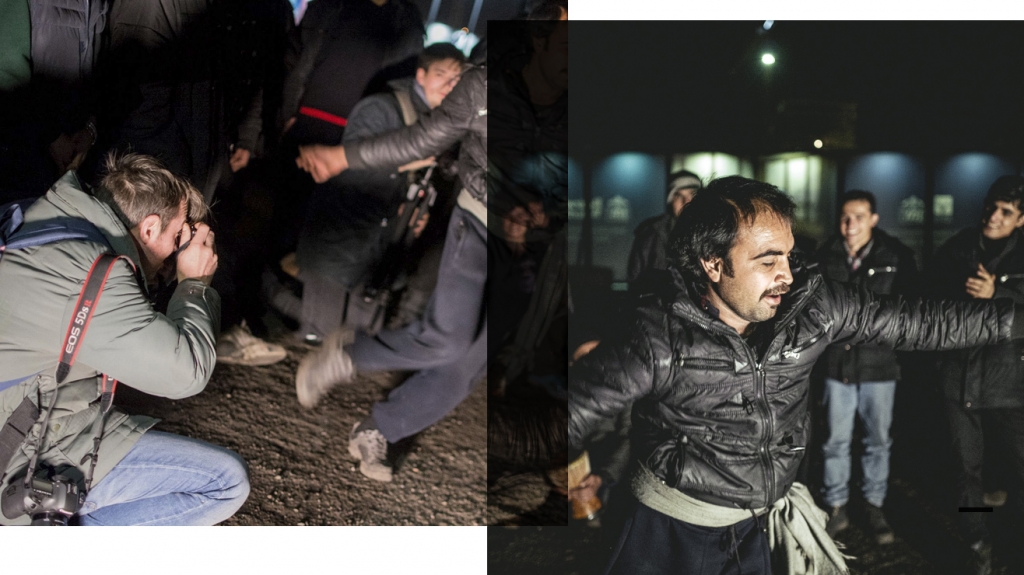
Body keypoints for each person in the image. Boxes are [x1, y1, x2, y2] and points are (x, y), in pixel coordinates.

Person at [569, 176, 1023, 575]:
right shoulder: (659, 337)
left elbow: (921, 322)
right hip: (670, 534)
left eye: (787, 254)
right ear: (713, 262)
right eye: (767, 261)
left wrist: (1014, 321)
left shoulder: (813, 306)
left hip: (758, 528)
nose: (786, 273)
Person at [293, 17, 568, 483]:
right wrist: (343, 156)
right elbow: (422, 138)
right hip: (478, 223)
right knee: (447, 338)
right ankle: (349, 353)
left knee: (468, 364)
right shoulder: (484, 87)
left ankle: (380, 428)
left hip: (530, 247)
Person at [0, 153, 249, 525]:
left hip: (25, 414)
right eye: (179, 235)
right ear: (148, 228)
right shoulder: (93, 272)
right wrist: (194, 283)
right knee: (225, 481)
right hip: (20, 452)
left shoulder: (45, 219)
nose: (179, 251)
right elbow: (186, 373)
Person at [293, 42, 465, 342]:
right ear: (421, 75)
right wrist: (412, 161)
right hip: (343, 236)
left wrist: (417, 211)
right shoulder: (382, 107)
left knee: (359, 341)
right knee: (320, 335)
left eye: (457, 80)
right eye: (442, 75)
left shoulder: (441, 124)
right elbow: (351, 168)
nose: (450, 86)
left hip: (382, 247)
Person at [927, 175, 1024, 574]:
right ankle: (977, 543)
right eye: (991, 207)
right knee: (965, 471)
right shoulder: (956, 250)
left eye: (1006, 212)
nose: (994, 217)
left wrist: (997, 295)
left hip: (1010, 385)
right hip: (957, 379)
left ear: (1021, 218)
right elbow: (927, 302)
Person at [814, 190, 918, 544]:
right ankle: (836, 507)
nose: (850, 224)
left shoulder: (897, 256)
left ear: (874, 218)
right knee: (834, 441)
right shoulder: (824, 255)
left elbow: (910, 309)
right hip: (836, 365)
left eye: (858, 216)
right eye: (845, 216)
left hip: (879, 366)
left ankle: (873, 505)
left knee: (878, 441)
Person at [627, 169, 701, 293]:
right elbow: (635, 278)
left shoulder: (713, 233)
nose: (686, 202)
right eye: (678, 195)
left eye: (692, 195)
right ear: (670, 200)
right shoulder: (652, 232)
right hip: (659, 308)